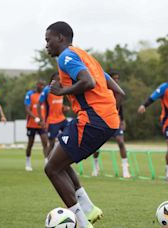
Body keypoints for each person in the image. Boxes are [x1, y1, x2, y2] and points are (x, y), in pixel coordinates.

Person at [44, 21, 125, 228]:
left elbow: (87, 82)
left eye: (48, 40)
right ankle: (88, 209)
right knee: (59, 160)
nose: (46, 45)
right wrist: (108, 115)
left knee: (52, 168)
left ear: (60, 38)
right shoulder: (87, 57)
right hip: (105, 120)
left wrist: (62, 92)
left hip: (93, 120)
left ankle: (82, 223)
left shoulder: (66, 56)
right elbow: (119, 92)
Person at [92, 71, 131, 178]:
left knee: (120, 141)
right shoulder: (104, 91)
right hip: (103, 121)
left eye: (118, 78)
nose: (116, 80)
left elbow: (120, 107)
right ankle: (95, 166)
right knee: (96, 145)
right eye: (114, 78)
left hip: (115, 120)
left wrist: (122, 120)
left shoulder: (118, 92)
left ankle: (125, 169)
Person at [37, 73, 69, 162]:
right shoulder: (47, 90)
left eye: (60, 79)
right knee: (51, 143)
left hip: (62, 119)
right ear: (53, 81)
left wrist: (64, 108)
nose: (60, 81)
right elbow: (39, 104)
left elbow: (57, 104)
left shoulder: (61, 90)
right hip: (52, 121)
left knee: (70, 135)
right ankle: (47, 161)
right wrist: (41, 119)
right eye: (58, 79)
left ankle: (65, 160)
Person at [24, 80, 48, 171]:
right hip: (31, 124)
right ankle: (28, 162)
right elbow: (27, 109)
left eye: (43, 85)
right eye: (41, 85)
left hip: (42, 124)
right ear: (37, 85)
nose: (42, 87)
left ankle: (46, 162)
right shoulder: (30, 94)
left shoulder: (44, 95)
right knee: (30, 143)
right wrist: (36, 118)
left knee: (45, 142)